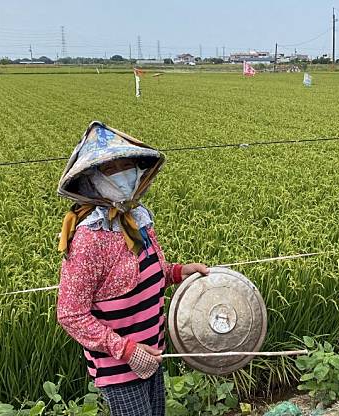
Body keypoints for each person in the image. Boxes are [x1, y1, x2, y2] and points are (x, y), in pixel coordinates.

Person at [56, 121, 208, 416]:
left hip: (152, 351)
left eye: (129, 165)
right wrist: (124, 349)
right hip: (119, 367)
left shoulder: (138, 219)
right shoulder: (91, 238)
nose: (125, 173)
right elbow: (70, 313)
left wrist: (177, 272)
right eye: (113, 168)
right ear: (93, 178)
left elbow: (144, 275)